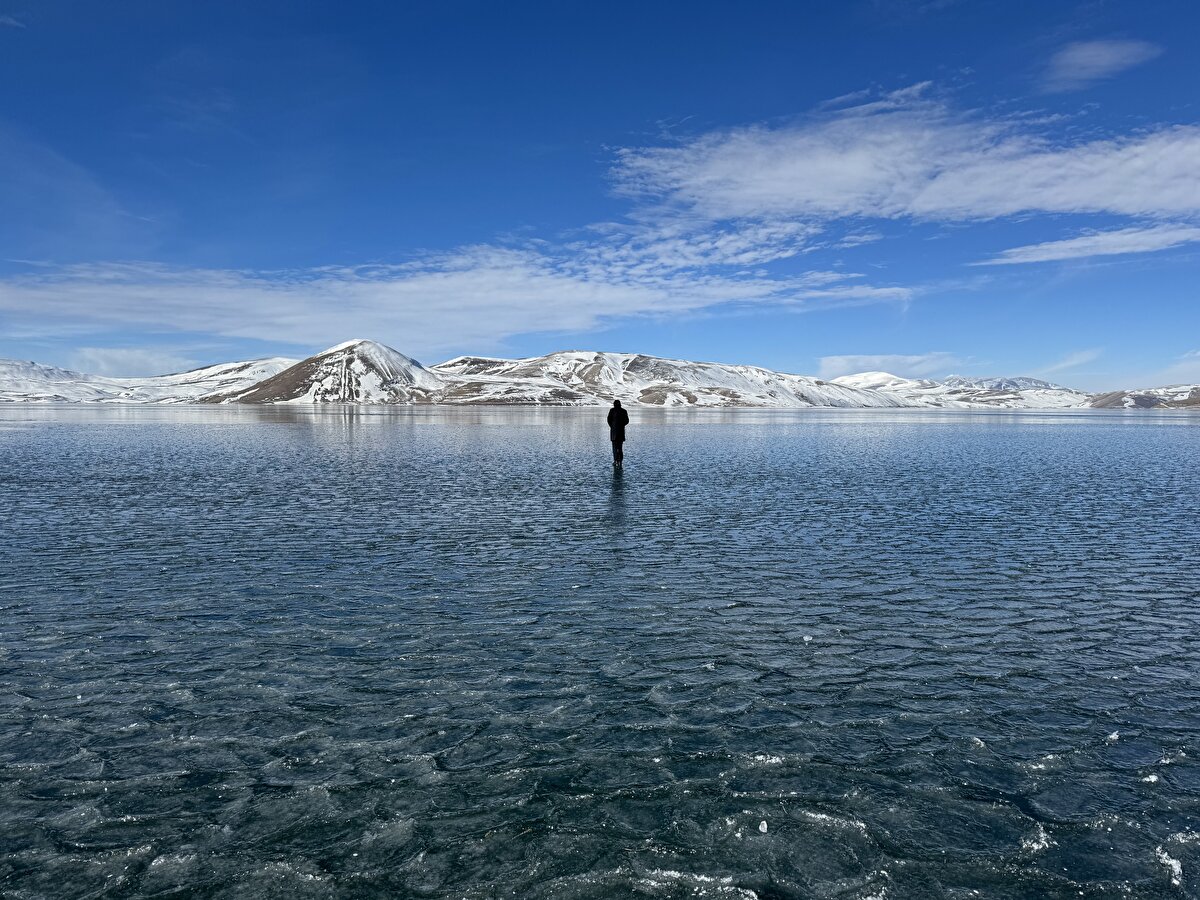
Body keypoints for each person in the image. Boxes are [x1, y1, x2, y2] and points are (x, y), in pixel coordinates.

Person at [607, 399, 629, 466]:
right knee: (620, 448)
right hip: (621, 433)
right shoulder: (624, 411)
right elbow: (627, 421)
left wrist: (612, 426)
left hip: (614, 433)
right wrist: (621, 425)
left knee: (614, 448)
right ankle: (620, 461)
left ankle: (615, 460)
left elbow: (608, 420)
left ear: (614, 404)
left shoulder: (612, 411)